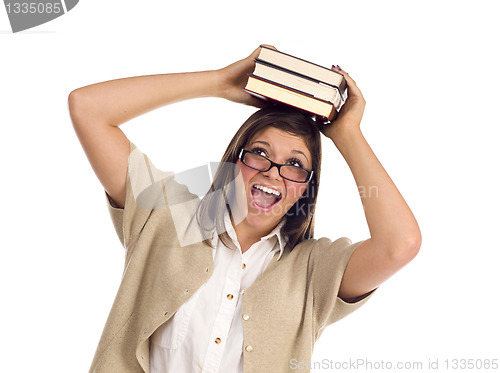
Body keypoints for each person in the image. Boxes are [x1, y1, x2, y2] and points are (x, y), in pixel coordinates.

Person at [68, 45, 421, 373]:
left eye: (295, 164)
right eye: (260, 153)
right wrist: (219, 83)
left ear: (306, 188)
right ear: (235, 162)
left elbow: (400, 244)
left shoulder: (314, 271)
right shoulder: (164, 215)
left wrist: (348, 133)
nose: (273, 171)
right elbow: (87, 108)